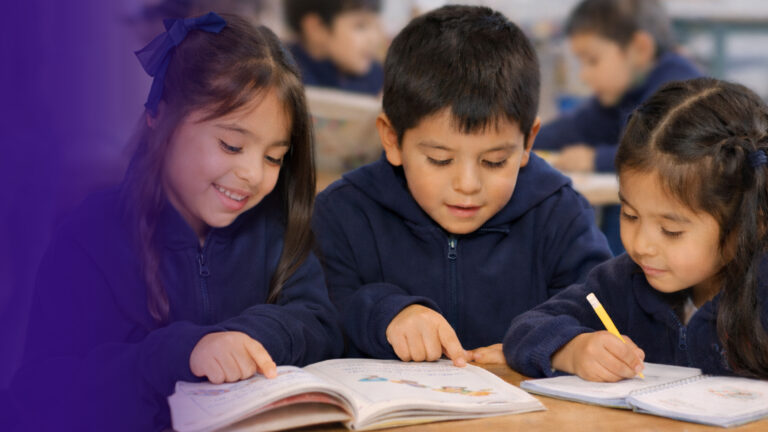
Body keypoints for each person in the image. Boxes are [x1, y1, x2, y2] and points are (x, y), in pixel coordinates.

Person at [11, 13, 342, 430]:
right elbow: (40, 390)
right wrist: (183, 352)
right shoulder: (89, 237)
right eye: (232, 144)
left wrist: (242, 338)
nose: (254, 175)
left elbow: (319, 322)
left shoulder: (274, 228)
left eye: (274, 157)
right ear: (158, 117)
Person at [313, 5, 612, 366]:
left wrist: (551, 344)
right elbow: (317, 313)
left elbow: (598, 306)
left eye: (494, 161)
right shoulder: (344, 212)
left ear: (528, 142)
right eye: (440, 160)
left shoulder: (559, 212)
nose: (467, 185)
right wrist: (387, 314)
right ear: (392, 139)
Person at [504, 78, 768, 381]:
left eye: (670, 230)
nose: (641, 245)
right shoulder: (623, 281)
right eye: (630, 215)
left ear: (752, 222)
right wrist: (572, 348)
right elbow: (526, 328)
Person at [536, 0, 702, 254]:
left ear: (640, 48)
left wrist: (596, 159)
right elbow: (577, 127)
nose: (583, 75)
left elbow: (660, 155)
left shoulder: (680, 89)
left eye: (592, 60)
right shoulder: (624, 90)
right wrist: (523, 137)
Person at [284, 0, 384, 95]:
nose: (374, 38)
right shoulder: (284, 77)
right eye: (360, 26)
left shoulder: (376, 75)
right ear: (315, 28)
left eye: (376, 26)